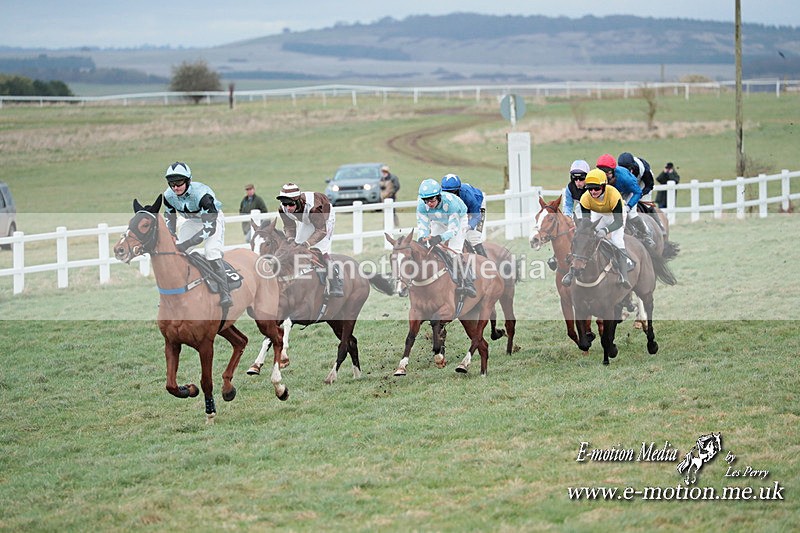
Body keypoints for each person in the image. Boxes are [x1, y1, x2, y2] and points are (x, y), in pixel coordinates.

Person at [162, 161, 232, 307]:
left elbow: (209, 229)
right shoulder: (168, 195)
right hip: (192, 221)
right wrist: (171, 233)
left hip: (212, 220)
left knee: (211, 251)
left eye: (179, 182)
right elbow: (170, 216)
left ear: (188, 180)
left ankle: (225, 293)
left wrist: (187, 243)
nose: (175, 187)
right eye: (172, 183)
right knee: (177, 252)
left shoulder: (202, 196)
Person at [561, 168, 633, 289]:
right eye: (590, 189)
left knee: (617, 241)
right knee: (584, 239)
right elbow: (586, 223)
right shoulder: (585, 198)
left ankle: (624, 276)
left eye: (596, 188)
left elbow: (619, 222)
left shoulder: (614, 195)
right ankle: (571, 272)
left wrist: (605, 230)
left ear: (604, 186)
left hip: (615, 217)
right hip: (598, 214)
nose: (593, 192)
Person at [276, 182, 343, 298]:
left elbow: (321, 230)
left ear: (298, 201)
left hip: (324, 218)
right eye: (285, 204)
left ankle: (336, 281)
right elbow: (289, 227)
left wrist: (307, 244)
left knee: (320, 249)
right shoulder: (283, 209)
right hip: (306, 218)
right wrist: (291, 240)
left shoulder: (314, 208)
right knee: (297, 246)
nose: (288, 208)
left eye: (290, 204)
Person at [416, 178, 476, 298]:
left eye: (432, 200)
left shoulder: (451, 204)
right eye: (426, 201)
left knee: (454, 251)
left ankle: (468, 282)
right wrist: (422, 238)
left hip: (459, 219)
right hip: (438, 221)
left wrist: (439, 237)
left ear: (439, 196)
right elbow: (423, 227)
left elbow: (453, 230)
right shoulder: (422, 206)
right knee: (431, 249)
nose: (429, 204)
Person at [596, 153, 655, 249]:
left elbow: (638, 192)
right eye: (602, 172)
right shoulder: (598, 178)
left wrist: (629, 206)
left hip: (629, 191)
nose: (604, 176)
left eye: (607, 172)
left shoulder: (626, 179)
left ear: (613, 171)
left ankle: (646, 233)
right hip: (615, 192)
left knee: (631, 214)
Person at [546, 159, 591, 271]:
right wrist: (567, 219)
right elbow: (568, 206)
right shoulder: (570, 188)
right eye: (575, 179)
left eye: (581, 179)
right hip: (581, 208)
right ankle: (557, 256)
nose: (578, 182)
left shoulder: (593, 187)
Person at [440, 173, 487, 257]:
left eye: (452, 192)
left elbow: (476, 216)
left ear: (458, 190)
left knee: (473, 238)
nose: (449, 195)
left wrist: (468, 226)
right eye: (446, 192)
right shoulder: (440, 196)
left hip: (476, 208)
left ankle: (485, 261)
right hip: (460, 210)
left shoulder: (468, 197)